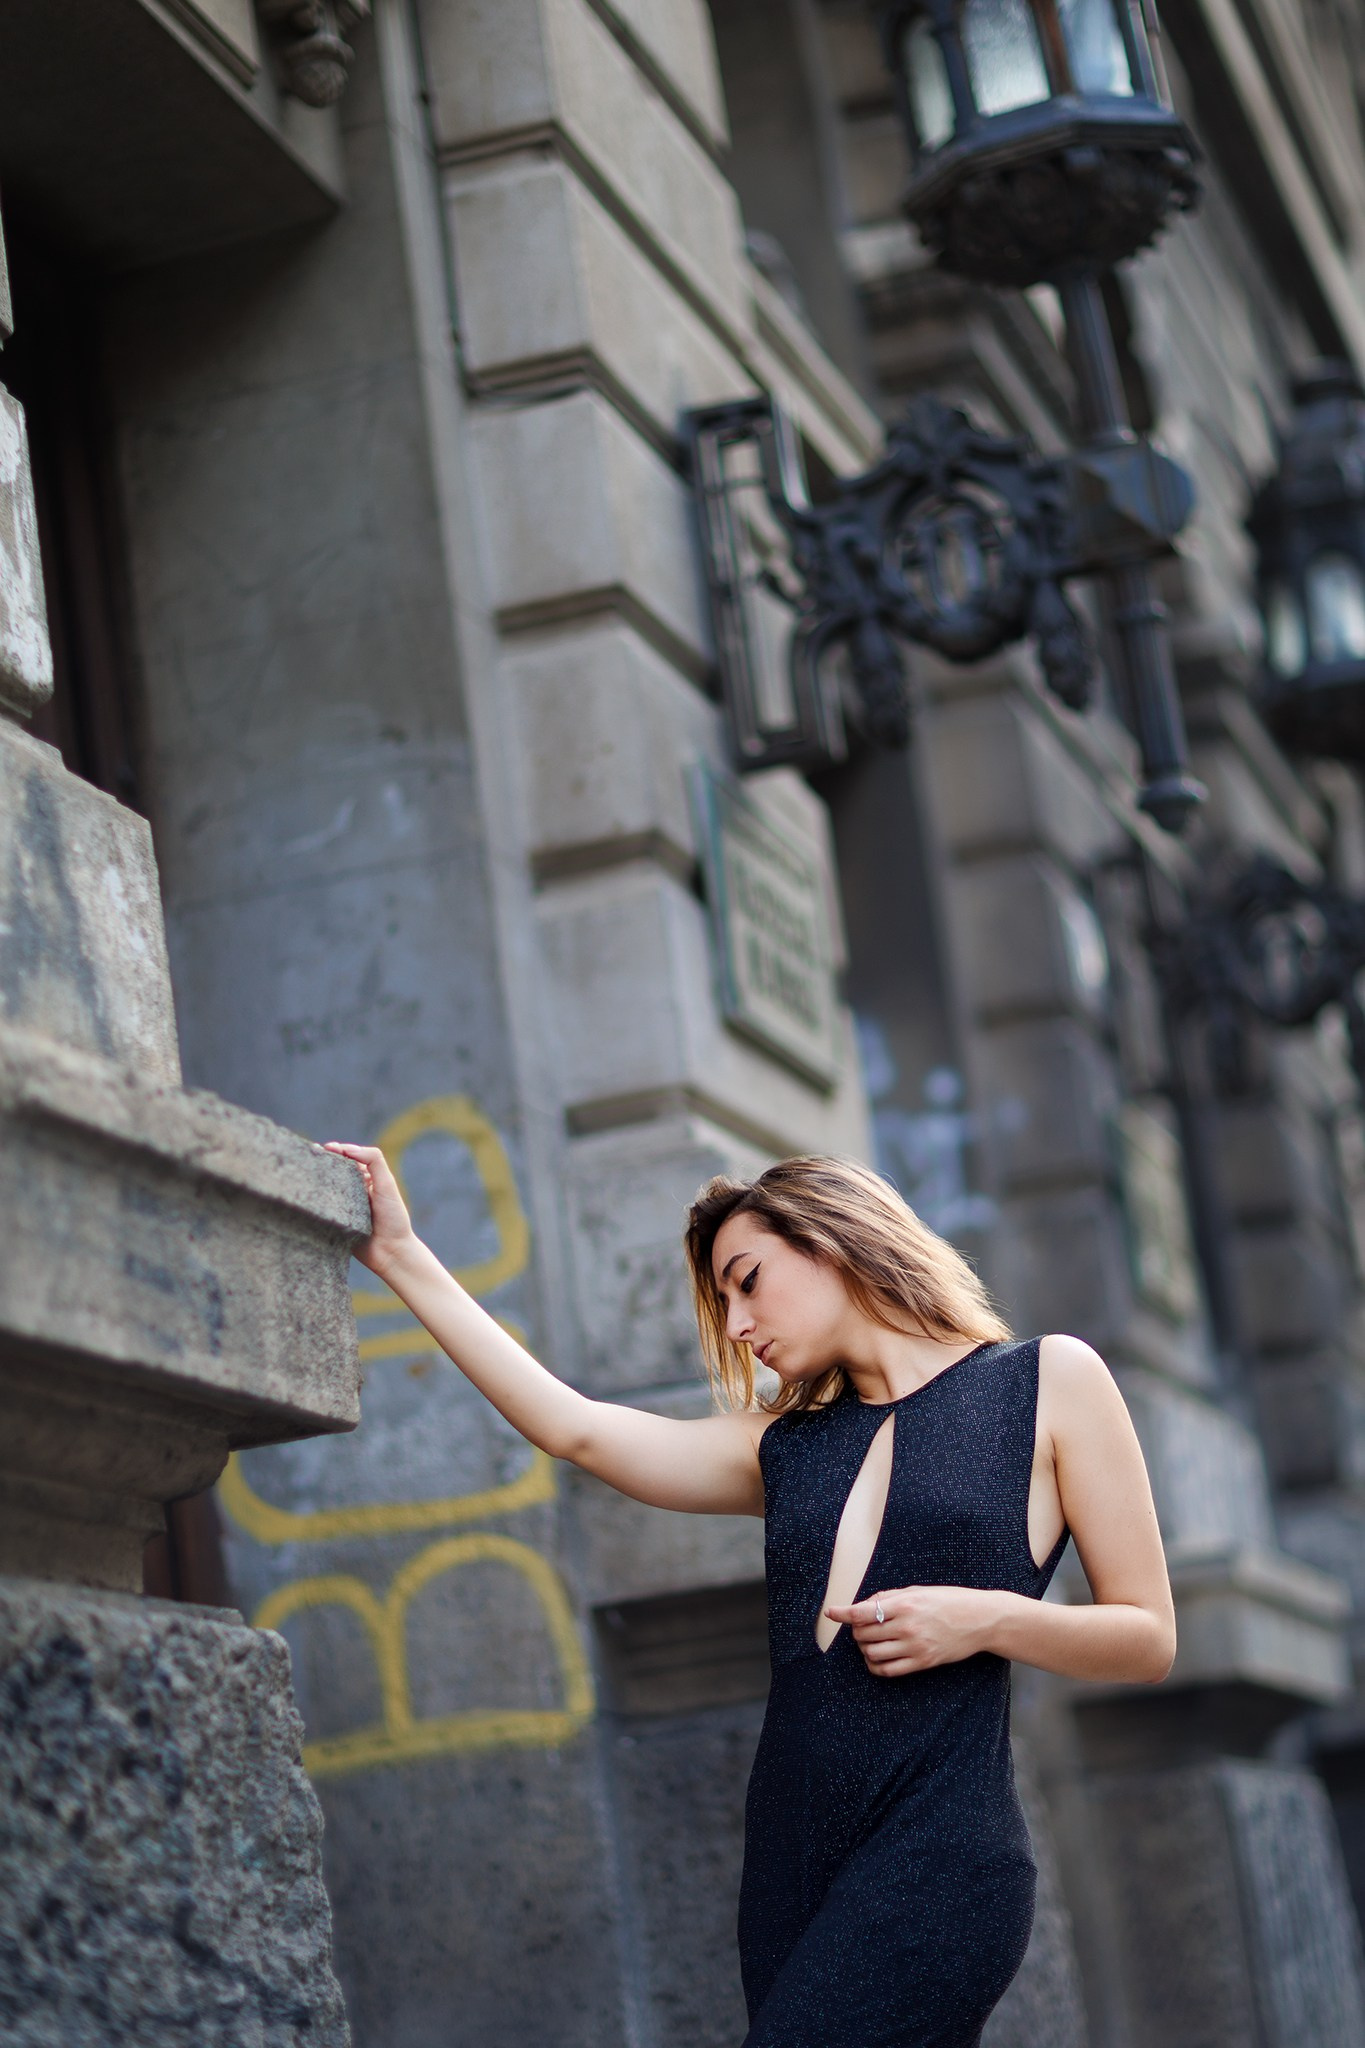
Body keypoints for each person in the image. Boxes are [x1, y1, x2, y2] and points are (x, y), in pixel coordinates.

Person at [324, 1143, 1175, 2048]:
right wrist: (399, 1255)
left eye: (747, 1282)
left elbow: (1147, 1636)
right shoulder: (782, 1443)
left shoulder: (1045, 1383)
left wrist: (985, 1619)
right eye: (723, 1300)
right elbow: (575, 1430)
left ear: (830, 1242)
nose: (736, 1325)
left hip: (941, 1853)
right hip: (789, 1861)